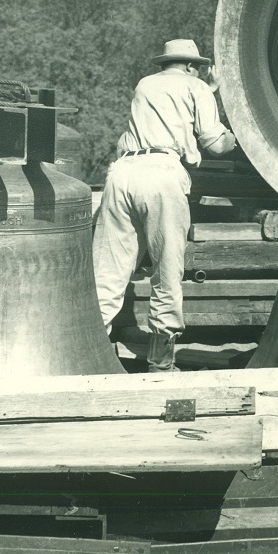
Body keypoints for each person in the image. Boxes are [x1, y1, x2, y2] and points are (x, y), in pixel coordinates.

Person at [92, 38, 237, 371]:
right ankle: (160, 360)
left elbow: (171, 111)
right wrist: (237, 138)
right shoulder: (195, 86)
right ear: (191, 65)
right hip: (161, 173)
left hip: (122, 173)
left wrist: (206, 92)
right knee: (167, 268)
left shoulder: (145, 85)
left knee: (109, 270)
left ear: (166, 63)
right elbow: (214, 144)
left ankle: (93, 353)